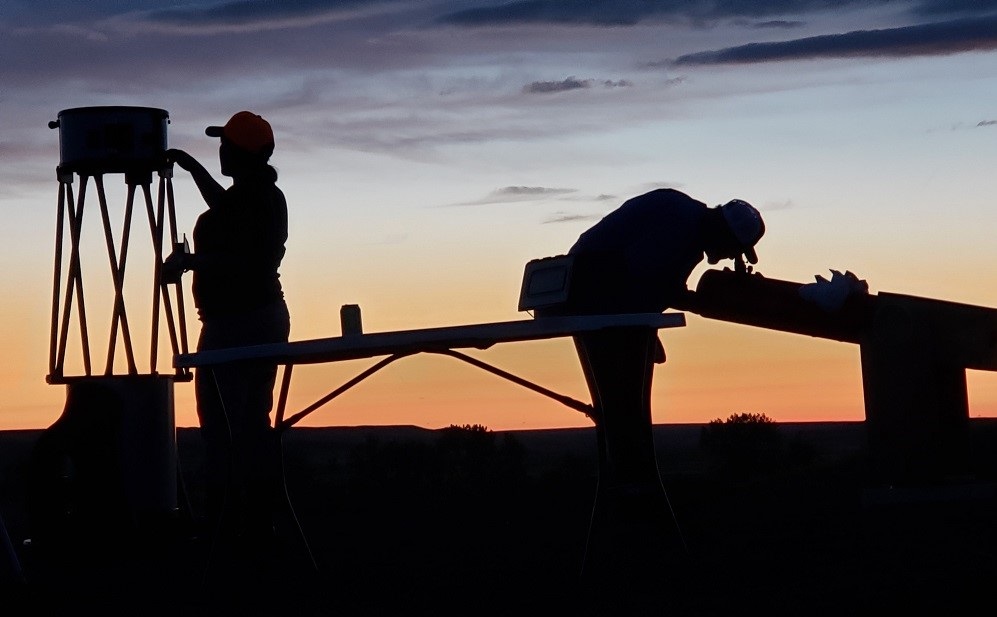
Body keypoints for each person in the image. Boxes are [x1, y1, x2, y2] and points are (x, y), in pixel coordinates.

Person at [539, 188, 764, 606]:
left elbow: (649, 283)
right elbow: (636, 276)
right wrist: (696, 304)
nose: (725, 258)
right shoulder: (679, 228)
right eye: (732, 251)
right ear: (726, 234)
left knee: (624, 434)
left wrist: (658, 321)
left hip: (602, 304)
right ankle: (634, 554)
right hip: (595, 303)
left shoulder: (686, 224)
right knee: (626, 436)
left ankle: (626, 530)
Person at [162, 111, 289, 561]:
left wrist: (192, 264)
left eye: (226, 144)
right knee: (242, 425)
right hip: (241, 321)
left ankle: (241, 529)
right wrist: (190, 165)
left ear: (244, 152)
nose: (221, 150)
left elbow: (250, 261)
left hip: (242, 322)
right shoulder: (253, 197)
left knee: (232, 428)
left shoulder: (261, 200)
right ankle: (245, 525)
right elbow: (225, 208)